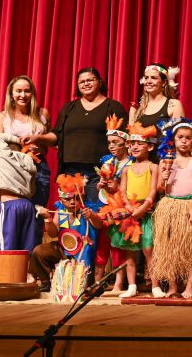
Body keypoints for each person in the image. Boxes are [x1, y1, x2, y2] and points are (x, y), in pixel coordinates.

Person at [52, 68, 128, 203]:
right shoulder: (69, 108)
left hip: (100, 172)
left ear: (99, 82)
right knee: (70, 216)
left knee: (94, 214)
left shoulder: (113, 107)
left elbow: (124, 140)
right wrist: (38, 138)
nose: (86, 84)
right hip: (70, 171)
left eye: (90, 80)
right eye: (82, 81)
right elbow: (56, 135)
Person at [150, 119, 192, 298]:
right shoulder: (166, 161)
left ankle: (190, 285)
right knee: (170, 247)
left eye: (188, 138)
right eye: (180, 137)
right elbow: (160, 188)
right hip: (170, 205)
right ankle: (173, 285)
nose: (184, 141)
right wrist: (164, 177)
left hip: (189, 205)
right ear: (173, 140)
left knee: (191, 246)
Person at [0, 76, 52, 225]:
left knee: (36, 216)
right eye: (18, 91)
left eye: (27, 91)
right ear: (11, 94)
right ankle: (11, 249)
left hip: (38, 169)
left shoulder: (42, 114)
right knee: (12, 220)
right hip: (12, 170)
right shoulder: (2, 117)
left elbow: (50, 141)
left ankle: (33, 249)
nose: (22, 95)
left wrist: (36, 139)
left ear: (32, 93)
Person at [110, 123, 159, 298]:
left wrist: (143, 207)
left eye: (140, 143)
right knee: (129, 250)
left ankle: (155, 285)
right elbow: (122, 191)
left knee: (148, 249)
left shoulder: (153, 167)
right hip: (130, 213)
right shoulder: (127, 169)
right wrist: (129, 207)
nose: (135, 147)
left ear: (150, 146)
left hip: (145, 212)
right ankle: (131, 286)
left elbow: (153, 190)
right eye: (132, 144)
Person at [30, 174, 101, 291]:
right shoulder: (60, 212)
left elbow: (99, 224)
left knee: (80, 283)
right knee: (39, 251)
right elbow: (53, 234)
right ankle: (45, 282)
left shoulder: (87, 210)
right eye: (68, 199)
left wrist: (92, 216)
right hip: (64, 250)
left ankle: (81, 285)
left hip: (84, 251)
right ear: (61, 200)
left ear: (81, 196)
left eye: (76, 198)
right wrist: (47, 219)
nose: (73, 202)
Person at [93, 115, 132, 293]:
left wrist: (118, 188)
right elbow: (100, 187)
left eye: (116, 142)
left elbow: (133, 188)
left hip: (122, 209)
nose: (111, 146)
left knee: (118, 246)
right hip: (105, 206)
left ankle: (118, 284)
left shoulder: (131, 163)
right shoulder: (107, 162)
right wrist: (100, 185)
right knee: (102, 244)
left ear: (126, 143)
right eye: (109, 142)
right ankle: (97, 282)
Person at [0, 132, 38, 255]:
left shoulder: (6, 155)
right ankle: (25, 274)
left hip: (10, 206)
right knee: (27, 249)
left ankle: (5, 275)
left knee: (6, 249)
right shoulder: (30, 162)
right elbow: (32, 190)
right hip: (27, 206)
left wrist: (19, 139)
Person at [128, 64, 185, 130]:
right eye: (146, 78)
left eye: (154, 78)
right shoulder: (136, 106)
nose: (148, 81)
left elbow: (179, 134)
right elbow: (130, 135)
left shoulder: (174, 105)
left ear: (164, 82)